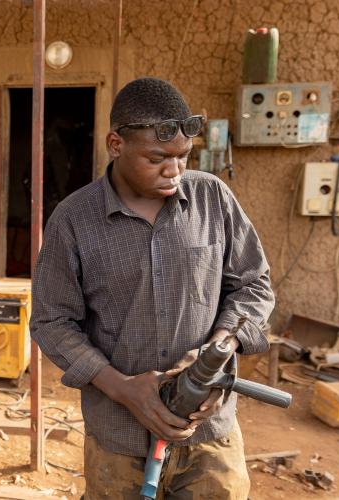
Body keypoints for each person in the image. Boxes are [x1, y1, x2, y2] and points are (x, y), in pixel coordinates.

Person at [30, 77, 275, 499]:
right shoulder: (74, 220)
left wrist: (218, 349)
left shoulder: (212, 198)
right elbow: (53, 321)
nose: (174, 171)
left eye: (183, 157)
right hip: (119, 439)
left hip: (209, 437)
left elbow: (253, 284)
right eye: (158, 158)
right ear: (115, 144)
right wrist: (122, 388)